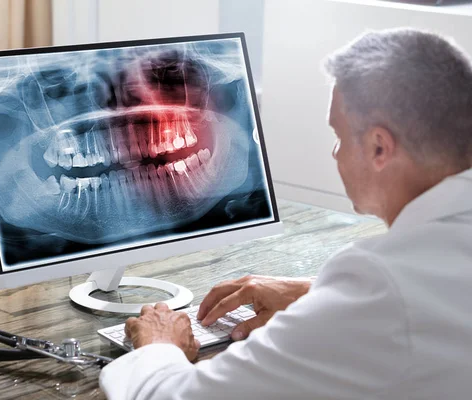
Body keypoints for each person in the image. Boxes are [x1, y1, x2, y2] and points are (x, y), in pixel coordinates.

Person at [99, 28, 472, 400]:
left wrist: (158, 345)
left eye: (338, 136)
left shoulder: (380, 286)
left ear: (379, 147)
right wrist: (322, 295)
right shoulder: (398, 282)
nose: (335, 154)